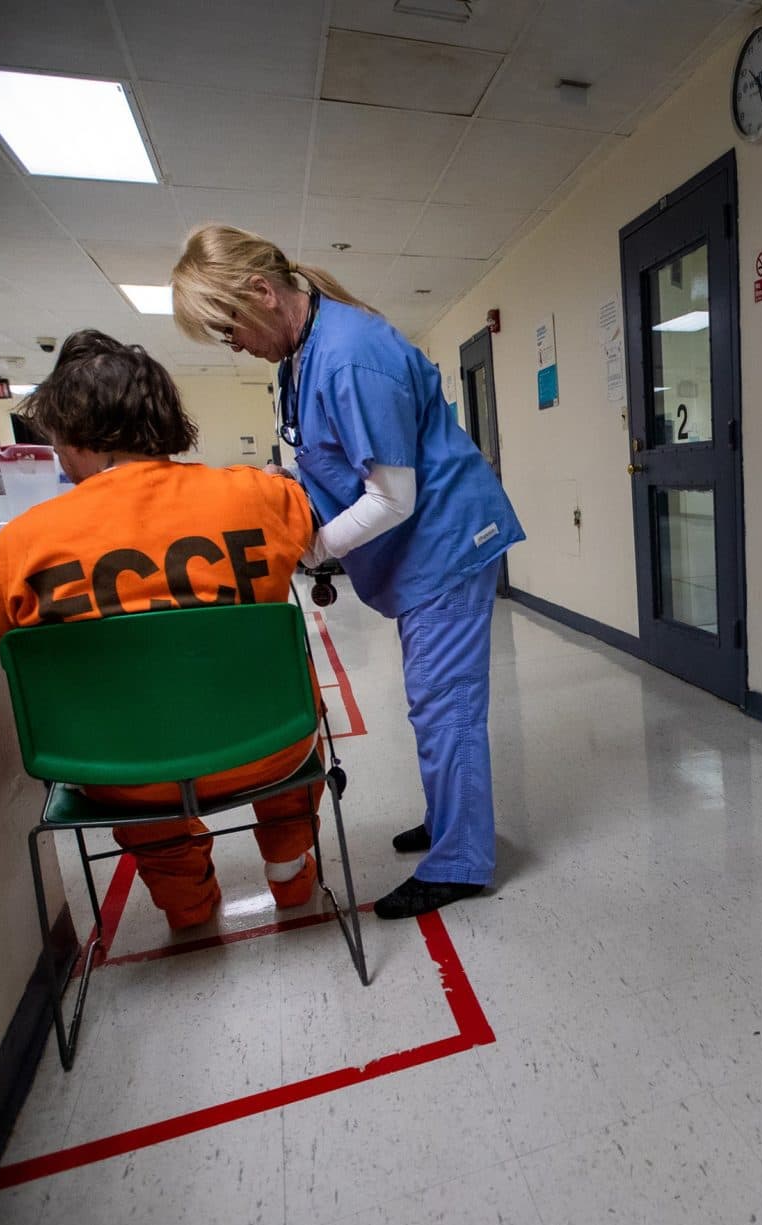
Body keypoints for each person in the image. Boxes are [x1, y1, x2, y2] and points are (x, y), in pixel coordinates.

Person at [171, 225, 525, 920]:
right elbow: (329, 456)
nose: (233, 344)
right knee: (432, 702)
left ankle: (460, 860)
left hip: (446, 544)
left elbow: (393, 497)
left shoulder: (349, 357)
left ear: (262, 294)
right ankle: (453, 820)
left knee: (443, 704)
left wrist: (315, 551)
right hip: (418, 551)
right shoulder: (300, 358)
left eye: (228, 328)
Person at [0, 331, 323, 930]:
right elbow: (314, 538)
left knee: (127, 742)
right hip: (269, 752)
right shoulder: (259, 496)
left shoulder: (22, 542)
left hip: (126, 777)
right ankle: (289, 871)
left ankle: (186, 906)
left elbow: (1, 632)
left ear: (74, 433)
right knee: (282, 692)